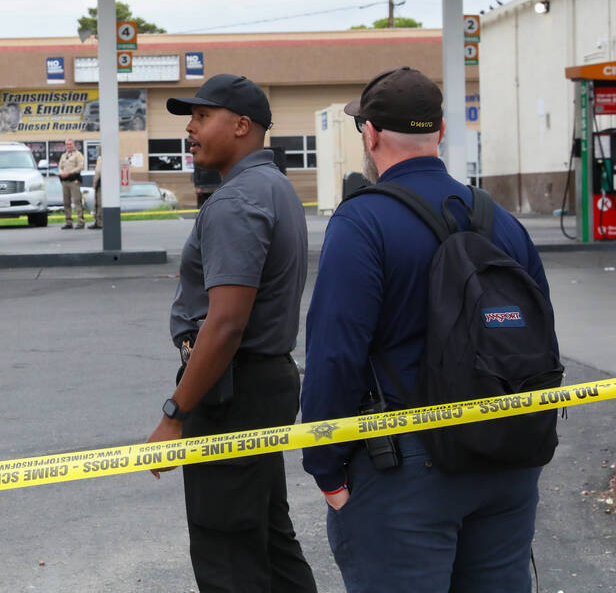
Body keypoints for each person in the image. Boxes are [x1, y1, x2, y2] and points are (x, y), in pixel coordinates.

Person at [301, 67, 552, 592]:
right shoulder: (500, 221)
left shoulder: (362, 222)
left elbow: (334, 355)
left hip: (405, 468)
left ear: (369, 134)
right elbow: (541, 336)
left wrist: (327, 470)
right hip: (505, 458)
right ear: (440, 130)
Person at [146, 74, 317, 593]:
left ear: (242, 126)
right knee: (267, 536)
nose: (190, 130)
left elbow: (225, 323)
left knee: (228, 554)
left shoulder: (236, 202)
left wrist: (175, 413)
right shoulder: (274, 187)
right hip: (261, 384)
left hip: (233, 391)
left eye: (201, 117)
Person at [57, 139, 86, 229]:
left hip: (74, 181)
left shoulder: (78, 155)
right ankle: (68, 222)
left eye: (70, 144)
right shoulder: (63, 156)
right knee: (66, 202)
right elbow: (60, 167)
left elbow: (81, 166)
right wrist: (61, 173)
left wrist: (69, 173)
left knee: (77, 201)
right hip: (65, 182)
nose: (68, 146)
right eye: (67, 144)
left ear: (74, 145)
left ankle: (81, 221)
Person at [88, 154, 103, 229]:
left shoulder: (101, 158)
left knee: (99, 204)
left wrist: (95, 182)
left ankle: (99, 222)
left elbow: (98, 171)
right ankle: (97, 221)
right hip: (101, 184)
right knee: (97, 204)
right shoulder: (101, 158)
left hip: (101, 184)